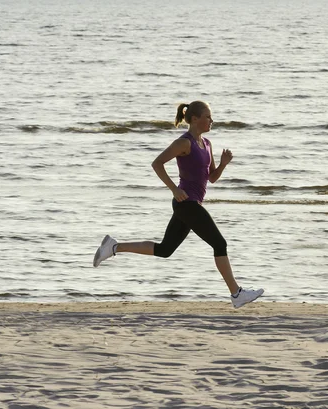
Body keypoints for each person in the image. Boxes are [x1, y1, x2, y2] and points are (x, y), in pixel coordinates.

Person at [93, 101, 264, 308]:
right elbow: (157, 163)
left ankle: (114, 247)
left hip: (189, 205)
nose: (212, 120)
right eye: (208, 116)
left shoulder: (207, 144)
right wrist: (174, 188)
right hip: (187, 204)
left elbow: (211, 178)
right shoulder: (185, 143)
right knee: (220, 244)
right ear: (194, 119)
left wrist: (223, 165)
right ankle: (236, 294)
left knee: (165, 250)